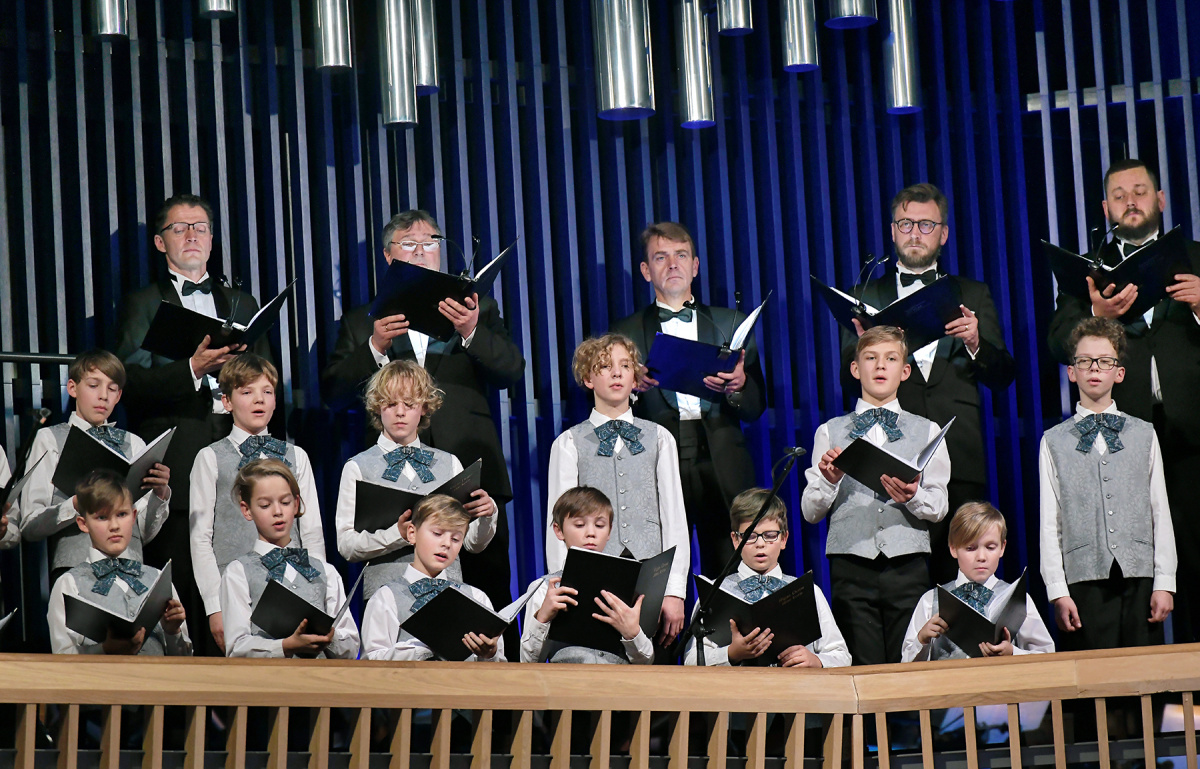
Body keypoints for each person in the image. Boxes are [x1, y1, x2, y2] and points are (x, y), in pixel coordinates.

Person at [321, 209, 524, 631]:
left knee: (488, 600)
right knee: (396, 609)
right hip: (392, 488)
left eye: (430, 243)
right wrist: (375, 346)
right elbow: (334, 394)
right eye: (409, 244)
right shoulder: (363, 320)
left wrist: (471, 331)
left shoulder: (477, 309)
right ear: (388, 256)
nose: (421, 251)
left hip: (469, 474)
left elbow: (512, 371)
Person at [1046, 159, 1200, 643]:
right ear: (1106, 208)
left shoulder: (1196, 257)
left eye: (1140, 191)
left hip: (1194, 433)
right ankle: (1143, 684)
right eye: (1119, 195)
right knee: (1131, 567)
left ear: (1160, 199)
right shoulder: (1088, 271)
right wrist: (1097, 314)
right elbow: (1057, 343)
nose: (1130, 201)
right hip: (1121, 439)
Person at [112, 193, 270, 653]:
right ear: (161, 242)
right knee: (181, 589)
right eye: (179, 228)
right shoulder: (143, 302)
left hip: (238, 459)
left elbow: (266, 376)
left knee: (244, 587)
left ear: (212, 239)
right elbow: (128, 378)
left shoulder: (242, 301)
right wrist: (192, 369)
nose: (192, 236)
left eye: (200, 227)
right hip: (177, 462)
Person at [843, 184, 1015, 585]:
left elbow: (1003, 376)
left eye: (925, 224)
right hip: (889, 459)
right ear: (892, 231)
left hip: (960, 457)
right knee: (900, 581)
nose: (915, 233)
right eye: (906, 224)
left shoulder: (973, 294)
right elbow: (844, 382)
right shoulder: (865, 295)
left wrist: (975, 341)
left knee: (961, 581)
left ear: (943, 233)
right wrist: (866, 352)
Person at [612, 222, 766, 579]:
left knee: (730, 572)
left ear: (695, 266)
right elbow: (607, 400)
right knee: (660, 571)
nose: (673, 265)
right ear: (646, 270)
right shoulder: (625, 331)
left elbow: (756, 406)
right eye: (661, 257)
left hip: (722, 459)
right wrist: (630, 390)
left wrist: (739, 386)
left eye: (681, 256)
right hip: (657, 458)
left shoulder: (731, 323)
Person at [801, 326, 951, 666]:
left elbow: (939, 506)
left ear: (905, 371)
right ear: (856, 369)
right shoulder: (830, 431)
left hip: (907, 565)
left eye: (891, 359)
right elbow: (810, 511)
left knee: (908, 666)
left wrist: (913, 496)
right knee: (862, 668)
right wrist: (830, 482)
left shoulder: (927, 430)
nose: (880, 366)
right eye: (871, 358)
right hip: (851, 566)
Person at [544, 334, 689, 652]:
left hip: (650, 579)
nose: (616, 373)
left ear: (635, 379)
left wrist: (674, 591)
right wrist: (561, 584)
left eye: (625, 366)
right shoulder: (569, 443)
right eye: (605, 366)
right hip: (591, 580)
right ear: (588, 378)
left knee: (653, 672)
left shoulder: (659, 438)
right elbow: (559, 525)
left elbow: (674, 518)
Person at [1039, 317, 1176, 650]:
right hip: (1083, 579)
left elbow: (1160, 510)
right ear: (1072, 372)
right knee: (1093, 676)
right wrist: (1058, 591)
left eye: (1104, 361)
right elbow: (1049, 523)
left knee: (1142, 674)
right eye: (1085, 361)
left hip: (1139, 576)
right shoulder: (1053, 441)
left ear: (1119, 373)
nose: (1094, 369)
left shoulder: (1144, 434)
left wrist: (1165, 582)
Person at [190, 354, 327, 653]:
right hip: (237, 595)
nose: (259, 400)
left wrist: (318, 593)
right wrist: (215, 606)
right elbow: (200, 538)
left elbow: (312, 531)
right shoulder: (211, 458)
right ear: (227, 402)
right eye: (247, 392)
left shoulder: (296, 456)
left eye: (267, 391)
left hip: (293, 587)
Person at [335, 360, 496, 600]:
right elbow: (347, 545)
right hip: (388, 597)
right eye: (391, 403)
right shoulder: (358, 467)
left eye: (409, 404)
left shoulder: (449, 463)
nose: (400, 412)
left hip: (446, 593)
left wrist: (487, 515)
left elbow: (472, 543)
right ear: (378, 406)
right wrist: (397, 534)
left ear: (423, 407)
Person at [21, 350, 170, 582]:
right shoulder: (50, 439)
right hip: (76, 571)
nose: (103, 396)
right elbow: (30, 526)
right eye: (93, 386)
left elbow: (142, 532)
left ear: (119, 396)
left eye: (112, 389)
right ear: (73, 388)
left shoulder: (134, 443)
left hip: (131, 573)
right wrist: (76, 504)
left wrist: (159, 495)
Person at [684, 488, 851, 668]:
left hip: (794, 685)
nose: (760, 544)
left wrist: (816, 661)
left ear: (784, 538)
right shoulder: (714, 594)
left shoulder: (809, 591)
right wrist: (731, 653)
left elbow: (842, 656)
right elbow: (690, 661)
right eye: (750, 536)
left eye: (770, 536)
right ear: (736, 540)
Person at [220, 459, 358, 659]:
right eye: (265, 505)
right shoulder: (238, 572)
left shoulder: (325, 572)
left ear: (296, 504)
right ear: (247, 510)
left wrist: (330, 636)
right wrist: (285, 646)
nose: (278, 512)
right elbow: (236, 648)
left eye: (285, 502)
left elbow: (351, 648)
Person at [47, 470, 190, 656]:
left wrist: (172, 631)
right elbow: (62, 659)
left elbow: (185, 660)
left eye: (122, 514)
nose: (114, 526)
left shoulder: (157, 579)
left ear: (133, 516)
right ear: (83, 523)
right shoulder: (69, 584)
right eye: (102, 517)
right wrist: (105, 650)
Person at [902, 501, 1054, 661]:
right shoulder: (930, 601)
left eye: (990, 547)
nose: (981, 557)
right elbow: (905, 664)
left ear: (1002, 548)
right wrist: (922, 640)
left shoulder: (1019, 600)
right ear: (953, 548)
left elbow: (1047, 656)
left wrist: (1012, 653)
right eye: (970, 548)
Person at [360, 494, 503, 661]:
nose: (447, 544)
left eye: (455, 539)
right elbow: (371, 661)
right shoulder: (386, 597)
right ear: (412, 533)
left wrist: (490, 654)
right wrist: (421, 647)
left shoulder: (477, 598)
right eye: (437, 533)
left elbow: (500, 666)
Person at [521, 486, 653, 664]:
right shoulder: (544, 588)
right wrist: (542, 618)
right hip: (567, 679)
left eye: (599, 525)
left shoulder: (628, 585)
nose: (591, 533)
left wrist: (632, 633)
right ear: (559, 530)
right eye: (579, 525)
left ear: (609, 531)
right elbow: (527, 661)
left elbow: (646, 662)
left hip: (617, 679)